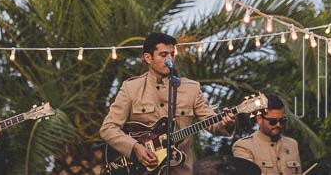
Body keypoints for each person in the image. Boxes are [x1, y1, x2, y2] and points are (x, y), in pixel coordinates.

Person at [100, 32, 236, 175]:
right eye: (163, 55)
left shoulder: (191, 88)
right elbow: (108, 128)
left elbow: (212, 124)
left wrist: (227, 123)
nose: (169, 59)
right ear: (148, 57)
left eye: (172, 54)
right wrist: (135, 148)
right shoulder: (131, 88)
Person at [232, 94, 302, 175]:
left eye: (282, 120)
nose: (278, 125)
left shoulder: (292, 144)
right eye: (273, 121)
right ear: (259, 119)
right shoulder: (243, 147)